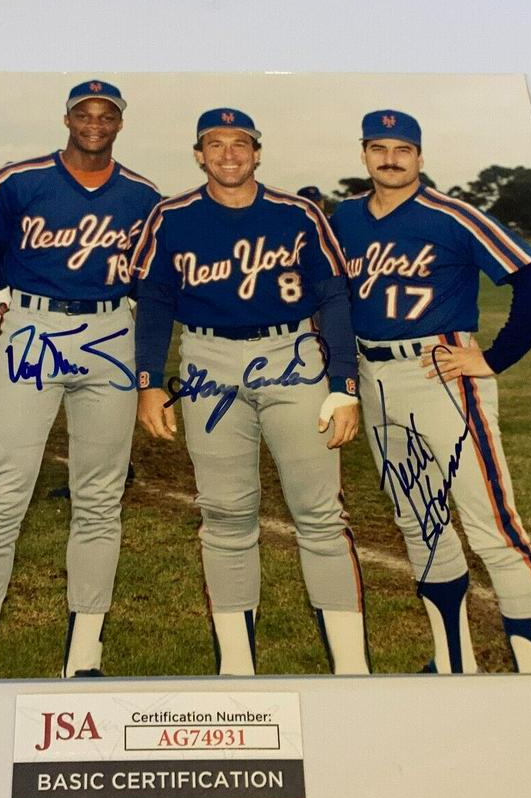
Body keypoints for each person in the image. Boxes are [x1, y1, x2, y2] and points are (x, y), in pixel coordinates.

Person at [132, 108, 370, 676]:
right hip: (207, 359)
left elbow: (334, 297)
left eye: (240, 143)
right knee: (225, 512)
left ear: (257, 152)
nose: (229, 154)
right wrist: (147, 383)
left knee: (319, 513)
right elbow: (155, 303)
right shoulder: (171, 216)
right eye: (216, 144)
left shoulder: (298, 212)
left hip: (292, 353)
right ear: (199, 155)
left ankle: (352, 668)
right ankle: (236, 666)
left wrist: (344, 384)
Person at [330, 109, 531, 673]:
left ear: (419, 156)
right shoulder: (345, 219)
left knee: (493, 530)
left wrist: (493, 358)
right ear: (363, 153)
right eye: (379, 148)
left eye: (402, 149)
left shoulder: (451, 214)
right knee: (420, 525)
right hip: (374, 377)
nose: (390, 159)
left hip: (439, 373)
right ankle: (453, 663)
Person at [0, 80, 160, 679]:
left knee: (100, 499)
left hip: (109, 332)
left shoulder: (143, 194)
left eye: (106, 115)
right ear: (67, 118)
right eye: (84, 113)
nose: (95, 123)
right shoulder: (19, 179)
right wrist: (2, 315)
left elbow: (153, 272)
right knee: (2, 496)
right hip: (34, 325)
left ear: (120, 124)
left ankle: (85, 654)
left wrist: (132, 320)